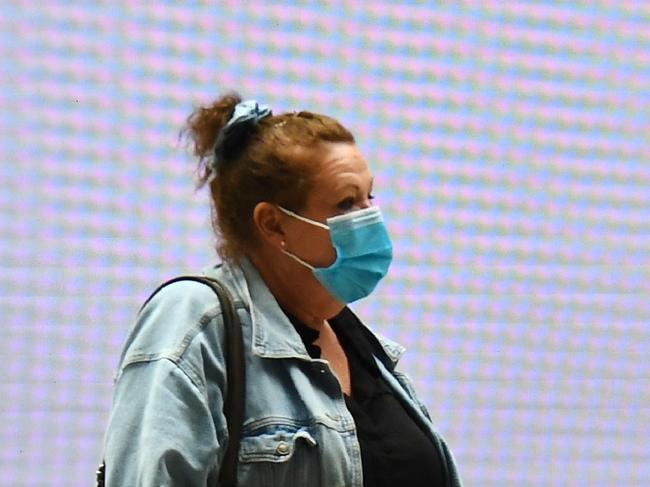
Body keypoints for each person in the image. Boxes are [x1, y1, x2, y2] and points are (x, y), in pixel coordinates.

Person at [102, 93, 462, 486]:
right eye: (345, 203)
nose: (370, 218)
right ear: (274, 224)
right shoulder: (196, 322)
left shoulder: (364, 347)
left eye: (368, 197)